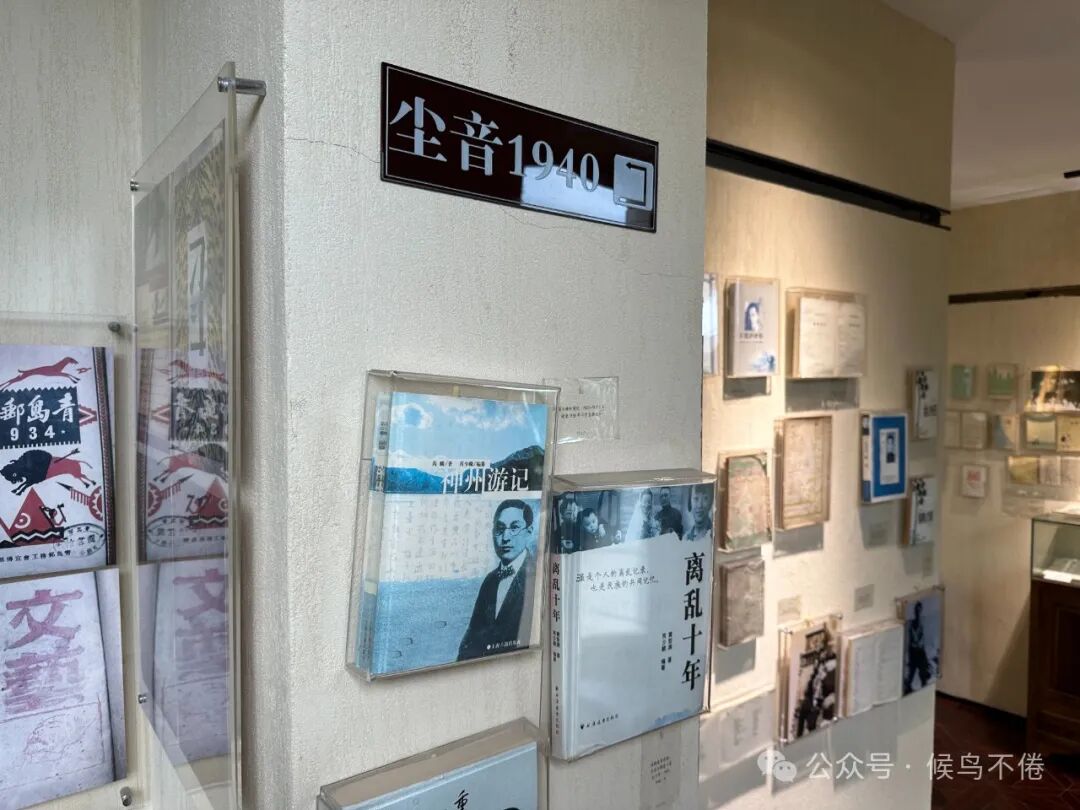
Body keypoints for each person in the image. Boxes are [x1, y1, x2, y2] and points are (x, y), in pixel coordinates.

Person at [457, 499, 536, 662]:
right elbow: (471, 638)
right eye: (500, 529)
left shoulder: (537, 575)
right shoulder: (490, 581)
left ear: (529, 532)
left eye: (514, 528)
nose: (505, 537)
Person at [904, 601, 932, 693]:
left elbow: (923, 639)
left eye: (919, 610)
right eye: (917, 609)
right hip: (913, 652)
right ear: (915, 611)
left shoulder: (922, 623)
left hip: (920, 652)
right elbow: (910, 640)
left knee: (923, 675)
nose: (918, 612)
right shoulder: (911, 624)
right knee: (911, 674)